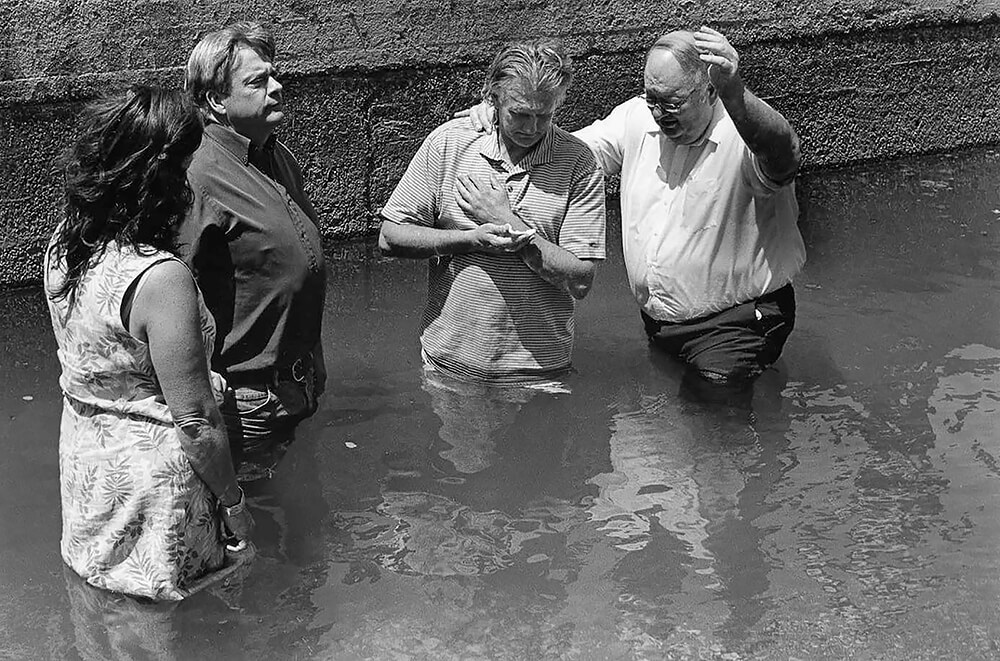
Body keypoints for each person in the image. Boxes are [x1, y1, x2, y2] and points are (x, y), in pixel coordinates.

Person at [468, 27, 806, 386]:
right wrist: (507, 114)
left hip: (736, 322)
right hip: (662, 324)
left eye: (672, 103)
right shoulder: (636, 116)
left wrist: (735, 93)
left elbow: (784, 155)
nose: (660, 113)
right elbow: (571, 157)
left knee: (714, 420)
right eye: (652, 98)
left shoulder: (744, 132)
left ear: (710, 90)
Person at [44, 86, 253, 601]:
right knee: (171, 629)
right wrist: (234, 504)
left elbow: (104, 361)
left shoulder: (65, 246)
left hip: (88, 464)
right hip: (155, 487)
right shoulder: (160, 278)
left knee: (104, 613)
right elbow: (196, 421)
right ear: (162, 178)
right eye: (186, 168)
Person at [379, 38, 606, 383]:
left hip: (539, 371)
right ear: (493, 97)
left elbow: (581, 280)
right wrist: (470, 239)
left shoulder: (579, 162)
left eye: (543, 116)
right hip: (448, 363)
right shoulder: (449, 142)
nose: (531, 129)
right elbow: (390, 237)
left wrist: (510, 224)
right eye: (519, 114)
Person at [181, 22, 327, 479]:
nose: (277, 88)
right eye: (258, 81)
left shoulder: (275, 154)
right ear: (215, 101)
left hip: (295, 381)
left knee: (297, 511)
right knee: (255, 522)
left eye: (274, 75)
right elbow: (173, 290)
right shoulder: (198, 175)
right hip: (244, 400)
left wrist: (314, 355)